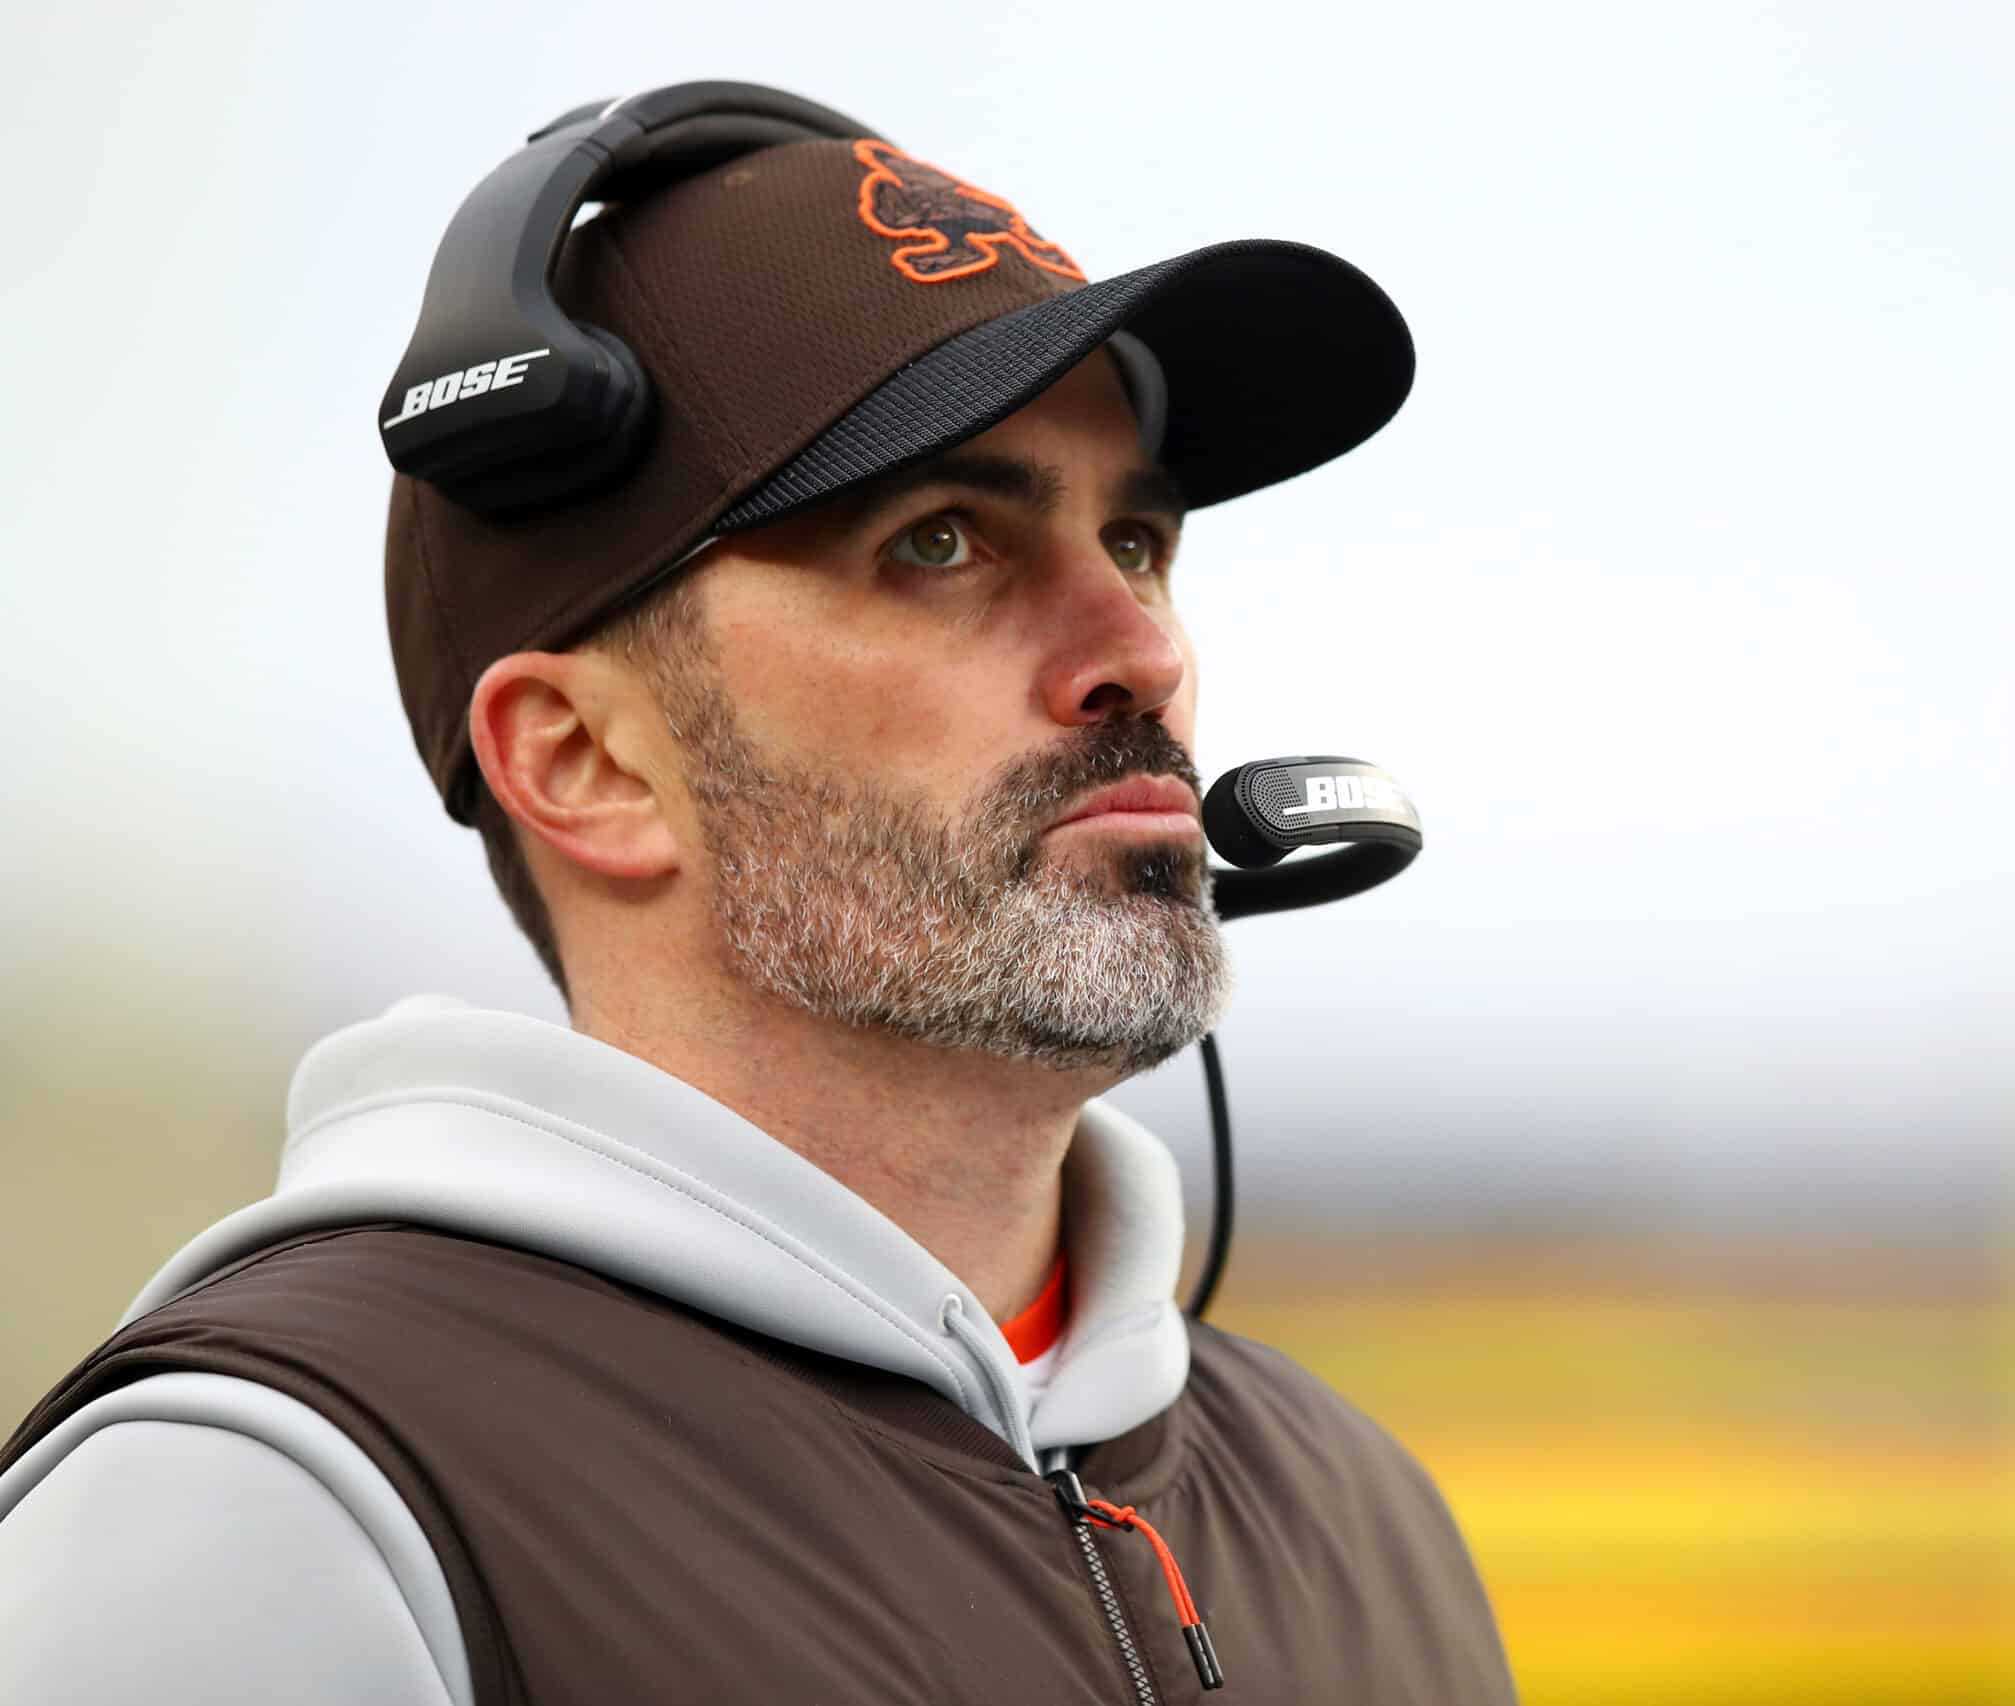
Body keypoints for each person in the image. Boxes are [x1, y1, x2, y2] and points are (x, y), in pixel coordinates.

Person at [0, 83, 1516, 1704]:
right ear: (582, 759)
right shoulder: (280, 1512)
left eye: (1136, 540)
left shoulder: (1368, 1518)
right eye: (941, 542)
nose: (1142, 652)